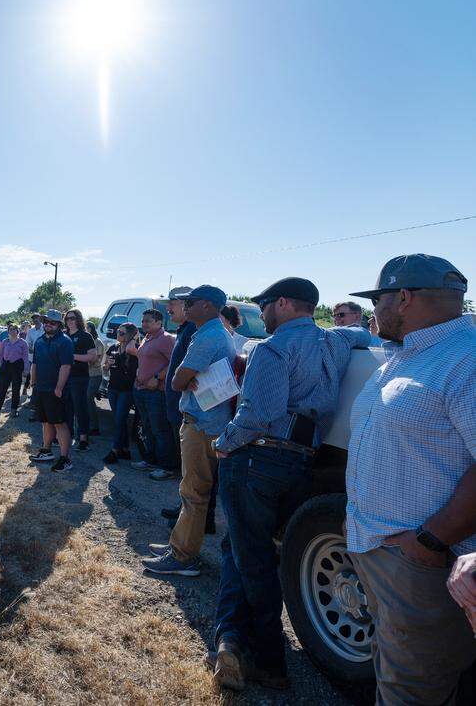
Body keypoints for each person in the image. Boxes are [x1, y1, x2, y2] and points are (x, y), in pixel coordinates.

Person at [205, 277, 371, 692]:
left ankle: (267, 658)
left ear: (282, 303)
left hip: (258, 456)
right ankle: (232, 637)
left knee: (251, 555)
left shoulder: (271, 348)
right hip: (302, 459)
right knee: (244, 548)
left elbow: (261, 412)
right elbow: (360, 332)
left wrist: (222, 443)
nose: (262, 314)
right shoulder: (334, 342)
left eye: (264, 306)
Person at [344, 254, 476, 704]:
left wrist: (429, 542)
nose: (372, 311)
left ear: (402, 298)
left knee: (414, 690)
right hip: (384, 550)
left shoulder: (465, 360)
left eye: (377, 299)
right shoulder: (407, 357)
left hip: (419, 564)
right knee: (396, 670)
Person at [144, 286, 235, 577]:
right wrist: (187, 378)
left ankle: (183, 556)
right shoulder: (213, 333)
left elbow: (176, 381)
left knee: (194, 492)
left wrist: (187, 378)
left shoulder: (208, 336)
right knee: (192, 489)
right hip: (206, 421)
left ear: (207, 306)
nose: (186, 307)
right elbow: (183, 378)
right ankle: (179, 545)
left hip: (202, 423)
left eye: (191, 302)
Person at [159, 288, 196, 522]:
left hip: (185, 407)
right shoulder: (184, 330)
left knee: (189, 466)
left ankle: (188, 514)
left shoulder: (192, 330)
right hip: (177, 405)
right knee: (184, 465)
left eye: (172, 303)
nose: (168, 308)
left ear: (186, 305)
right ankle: (183, 507)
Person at [128, 308, 178, 479]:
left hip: (156, 392)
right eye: (143, 321)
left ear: (159, 322)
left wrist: (157, 377)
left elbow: (174, 362)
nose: (144, 324)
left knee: (160, 430)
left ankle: (167, 467)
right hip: (141, 390)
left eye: (148, 321)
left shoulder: (166, 339)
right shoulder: (147, 338)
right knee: (147, 428)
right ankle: (150, 460)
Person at [27, 309, 74, 473]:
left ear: (59, 325)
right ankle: (46, 451)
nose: (48, 324)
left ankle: (65, 459)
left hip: (56, 390)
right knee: (46, 421)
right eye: (46, 321)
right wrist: (33, 383)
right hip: (41, 388)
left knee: (60, 423)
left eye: (52, 322)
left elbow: (66, 366)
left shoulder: (65, 342)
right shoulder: (39, 341)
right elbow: (35, 364)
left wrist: (59, 388)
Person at [101, 323, 139, 465]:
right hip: (113, 388)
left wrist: (134, 339)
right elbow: (104, 367)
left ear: (130, 335)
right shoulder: (113, 348)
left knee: (119, 419)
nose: (118, 334)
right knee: (119, 420)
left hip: (127, 389)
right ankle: (125, 449)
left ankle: (115, 450)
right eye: (118, 332)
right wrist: (108, 364)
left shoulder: (134, 350)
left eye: (122, 333)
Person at [64, 309, 98, 451]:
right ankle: (67, 436)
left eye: (72, 318)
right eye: (67, 319)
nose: (70, 321)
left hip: (79, 377)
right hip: (64, 377)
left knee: (80, 408)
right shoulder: (63, 335)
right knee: (66, 408)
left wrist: (72, 356)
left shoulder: (85, 336)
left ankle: (83, 439)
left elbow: (93, 356)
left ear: (78, 319)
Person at [0, 323, 29, 415]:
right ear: (8, 331)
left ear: (17, 331)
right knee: (2, 389)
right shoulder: (5, 342)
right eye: (11, 329)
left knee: (16, 389)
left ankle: (14, 409)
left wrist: (26, 370)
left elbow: (25, 357)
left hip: (17, 367)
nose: (13, 331)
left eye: (14, 329)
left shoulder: (23, 343)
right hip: (5, 366)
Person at [85, 320, 104, 437]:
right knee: (85, 399)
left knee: (88, 398)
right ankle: (87, 425)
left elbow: (95, 360)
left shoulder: (98, 343)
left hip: (95, 375)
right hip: (85, 375)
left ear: (91, 329)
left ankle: (94, 427)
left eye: (87, 327)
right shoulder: (85, 341)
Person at [23, 313, 45, 401]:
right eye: (33, 318)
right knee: (30, 374)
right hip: (32, 357)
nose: (35, 319)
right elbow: (27, 342)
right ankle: (28, 392)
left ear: (40, 318)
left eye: (36, 318)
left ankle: (36, 398)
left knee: (39, 376)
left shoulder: (45, 329)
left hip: (43, 357)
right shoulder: (31, 331)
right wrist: (30, 347)